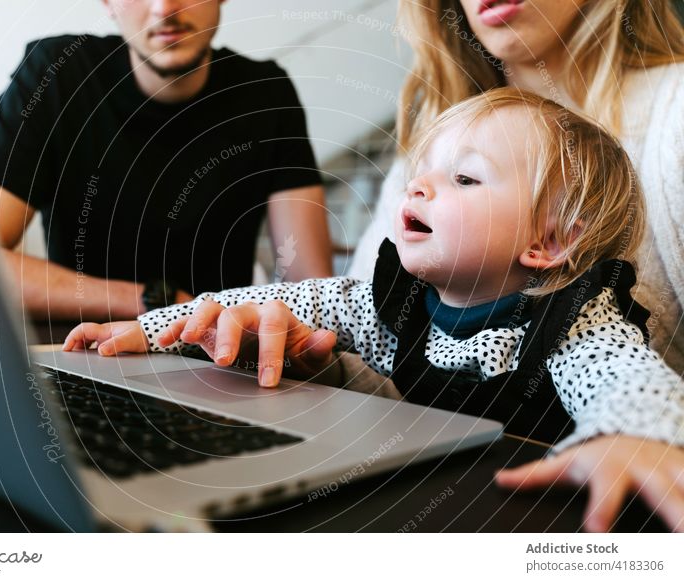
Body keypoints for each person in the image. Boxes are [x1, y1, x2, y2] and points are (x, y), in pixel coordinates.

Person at [63, 89, 684, 532]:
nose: (419, 187)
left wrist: (634, 437)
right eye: (423, 172)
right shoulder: (390, 303)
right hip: (418, 503)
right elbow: (269, 301)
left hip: (528, 521)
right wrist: (150, 330)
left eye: (465, 180)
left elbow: (632, 380)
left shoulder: (574, 321)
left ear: (547, 243)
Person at [348, 0, 684, 379]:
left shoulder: (675, 119)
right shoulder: (438, 133)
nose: (420, 187)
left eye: (467, 178)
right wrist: (327, 365)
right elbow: (371, 344)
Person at [0, 0, 332, 322]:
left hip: (214, 364)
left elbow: (312, 295)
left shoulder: (266, 94)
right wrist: (156, 302)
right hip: (86, 353)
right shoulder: (57, 77)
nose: (165, 8)